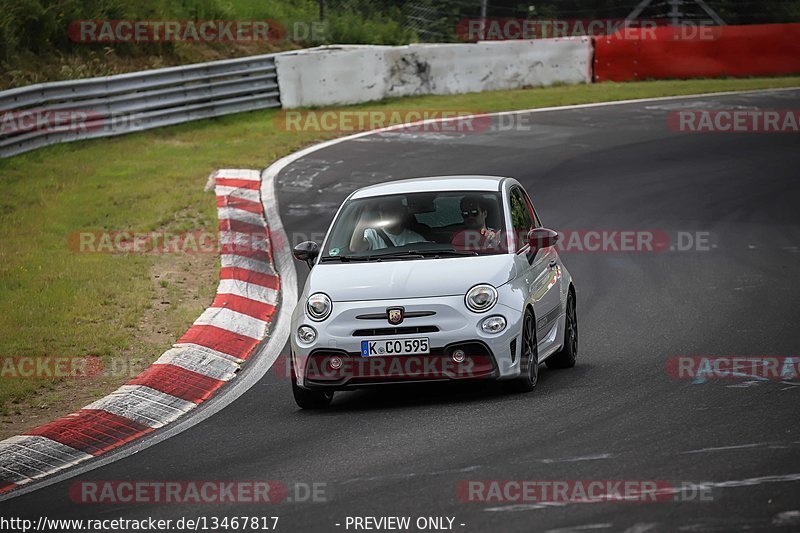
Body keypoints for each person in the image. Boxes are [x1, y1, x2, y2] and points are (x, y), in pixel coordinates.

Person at [349, 198, 426, 252]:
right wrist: (365, 215)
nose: (386, 214)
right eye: (383, 210)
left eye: (392, 210)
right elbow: (355, 248)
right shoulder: (372, 234)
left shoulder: (416, 239)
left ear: (401, 212)